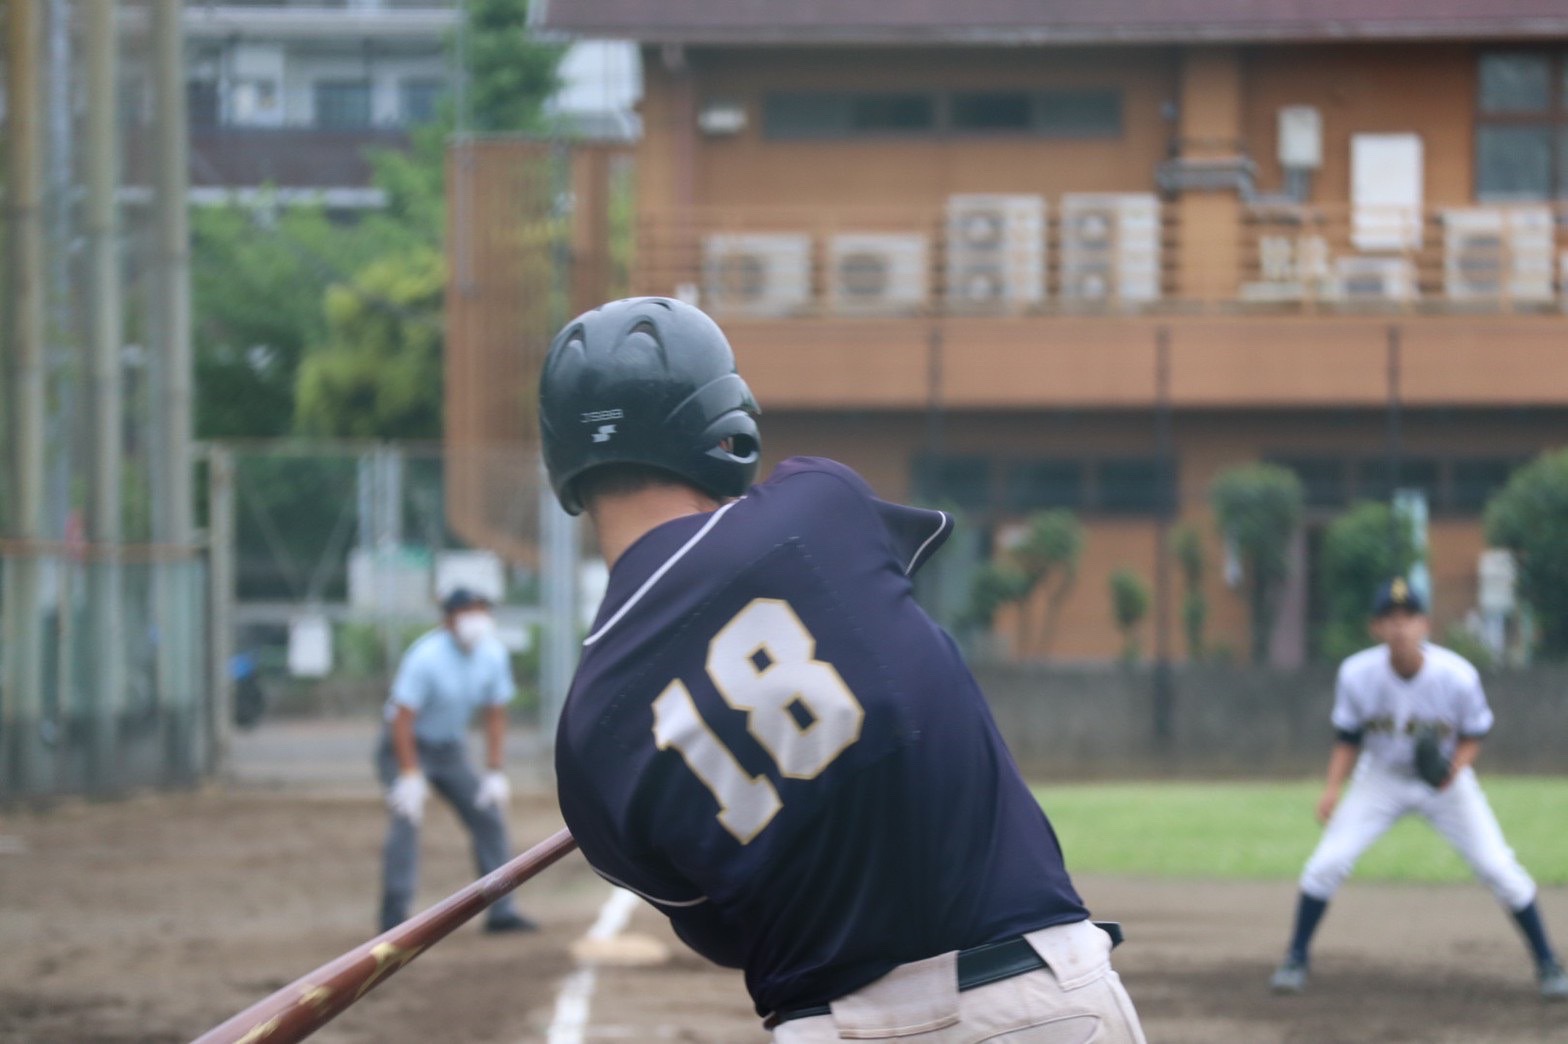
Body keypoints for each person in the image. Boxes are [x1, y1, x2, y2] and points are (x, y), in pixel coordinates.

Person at [542, 297, 1146, 1041]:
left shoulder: (586, 740)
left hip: (832, 1025)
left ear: (562, 463)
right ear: (718, 421)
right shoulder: (819, 507)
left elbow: (723, 936)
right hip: (1038, 1001)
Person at [1270, 577, 1568, 1001]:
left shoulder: (1456, 676)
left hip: (1444, 782)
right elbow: (1348, 737)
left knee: (1498, 866)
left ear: (1424, 624)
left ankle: (1548, 962)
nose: (1399, 627)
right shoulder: (1357, 674)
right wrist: (1332, 789)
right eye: (1389, 619)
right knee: (1325, 863)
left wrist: (1452, 770)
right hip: (1381, 778)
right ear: (1376, 628)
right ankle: (1295, 958)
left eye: (1408, 617)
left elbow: (1474, 734)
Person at [375, 587, 536, 934]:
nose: (479, 618)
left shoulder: (492, 655)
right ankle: (393, 917)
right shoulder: (426, 656)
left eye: (483, 610)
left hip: (449, 749)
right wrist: (409, 774)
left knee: (488, 816)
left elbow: (495, 713)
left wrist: (495, 770)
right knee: (407, 818)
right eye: (470, 611)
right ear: (449, 619)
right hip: (405, 746)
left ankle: (501, 910)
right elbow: (401, 718)